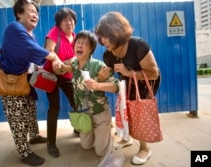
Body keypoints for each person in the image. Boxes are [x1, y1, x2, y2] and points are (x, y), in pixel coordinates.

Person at [0, 0, 61, 166]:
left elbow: (32, 58)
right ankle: (24, 152)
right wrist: (52, 56)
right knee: (18, 119)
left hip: (25, 82)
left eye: (37, 13)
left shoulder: (29, 34)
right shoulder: (15, 28)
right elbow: (32, 51)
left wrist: (42, 67)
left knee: (29, 111)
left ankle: (33, 136)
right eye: (32, 11)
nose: (36, 15)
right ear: (19, 13)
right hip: (12, 83)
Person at [95, 12, 161, 165]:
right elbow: (113, 74)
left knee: (139, 113)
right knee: (127, 109)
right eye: (101, 36)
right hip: (127, 83)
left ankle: (145, 148)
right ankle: (128, 137)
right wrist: (103, 77)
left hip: (146, 83)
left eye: (105, 35)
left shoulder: (138, 45)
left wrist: (128, 72)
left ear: (116, 31)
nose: (103, 40)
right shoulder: (108, 55)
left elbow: (153, 73)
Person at [60, 30, 119, 157]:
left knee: (101, 152)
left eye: (84, 43)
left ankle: (110, 131)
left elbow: (116, 86)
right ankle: (99, 135)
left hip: (100, 112)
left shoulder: (98, 65)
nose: (79, 45)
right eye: (78, 42)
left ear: (91, 48)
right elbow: (62, 67)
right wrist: (57, 63)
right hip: (84, 113)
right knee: (86, 146)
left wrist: (98, 84)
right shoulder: (74, 63)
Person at [43, 7, 77, 158]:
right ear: (59, 23)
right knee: (54, 108)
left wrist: (69, 65)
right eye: (65, 20)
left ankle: (78, 127)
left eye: (71, 19)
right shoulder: (55, 32)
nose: (69, 23)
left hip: (67, 75)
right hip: (51, 74)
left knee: (77, 101)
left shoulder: (75, 37)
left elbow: (77, 56)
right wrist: (57, 61)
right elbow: (48, 50)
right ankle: (51, 143)